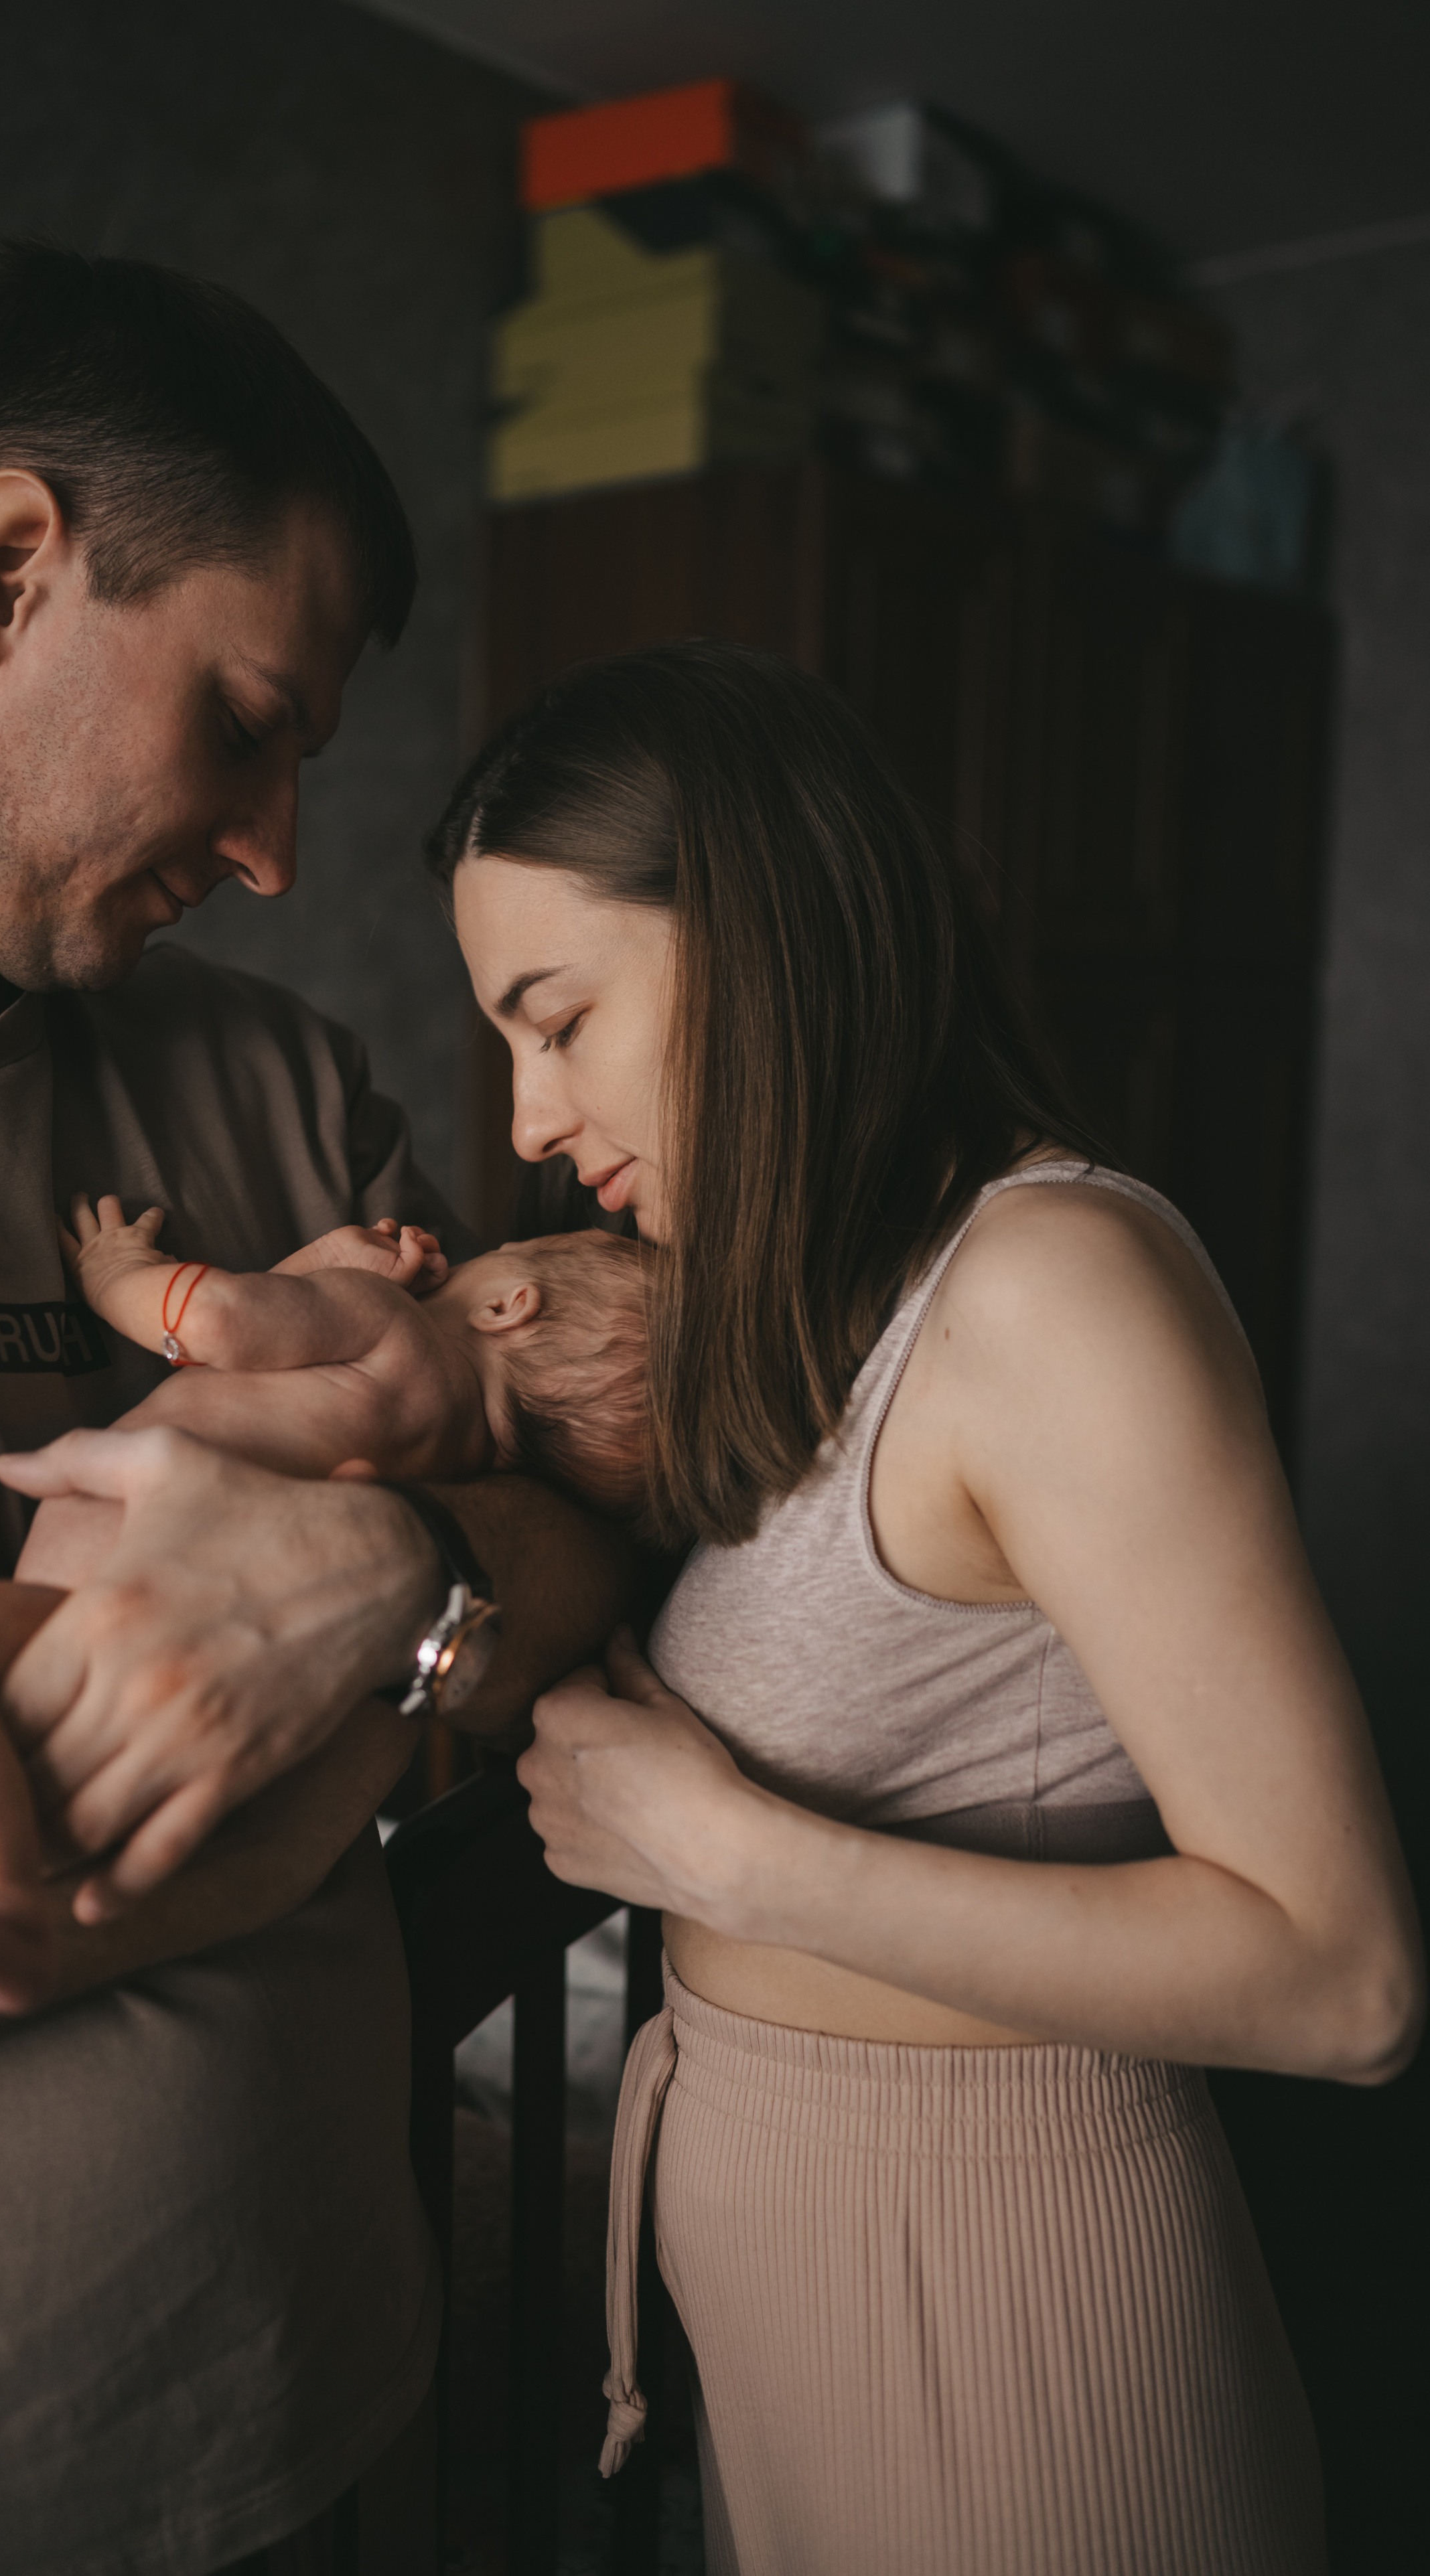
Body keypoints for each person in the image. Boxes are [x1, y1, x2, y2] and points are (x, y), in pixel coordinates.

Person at [0, 242, 635, 2576]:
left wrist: (390, 1581)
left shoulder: (270, 1084)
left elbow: (595, 1535)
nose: (275, 854)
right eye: (248, 719)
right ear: (9, 566)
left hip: (321, 2395)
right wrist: (210, 1861)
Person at [426, 640, 1426, 2576]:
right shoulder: (800, 1311)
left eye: (559, 1018)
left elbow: (1346, 1978)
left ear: (761, 931)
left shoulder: (1050, 1289)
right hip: (809, 2313)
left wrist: (722, 1852)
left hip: (1010, 2315)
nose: (532, 1113)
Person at [0, 1206, 651, 2014]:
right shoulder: (458, 1464)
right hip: (176, 1705)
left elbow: (219, 1323)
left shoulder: (392, 1331)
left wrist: (118, 1271)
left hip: (81, 1621)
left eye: (508, 1248)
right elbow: (277, 1390)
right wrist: (321, 1267)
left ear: (508, 1303)